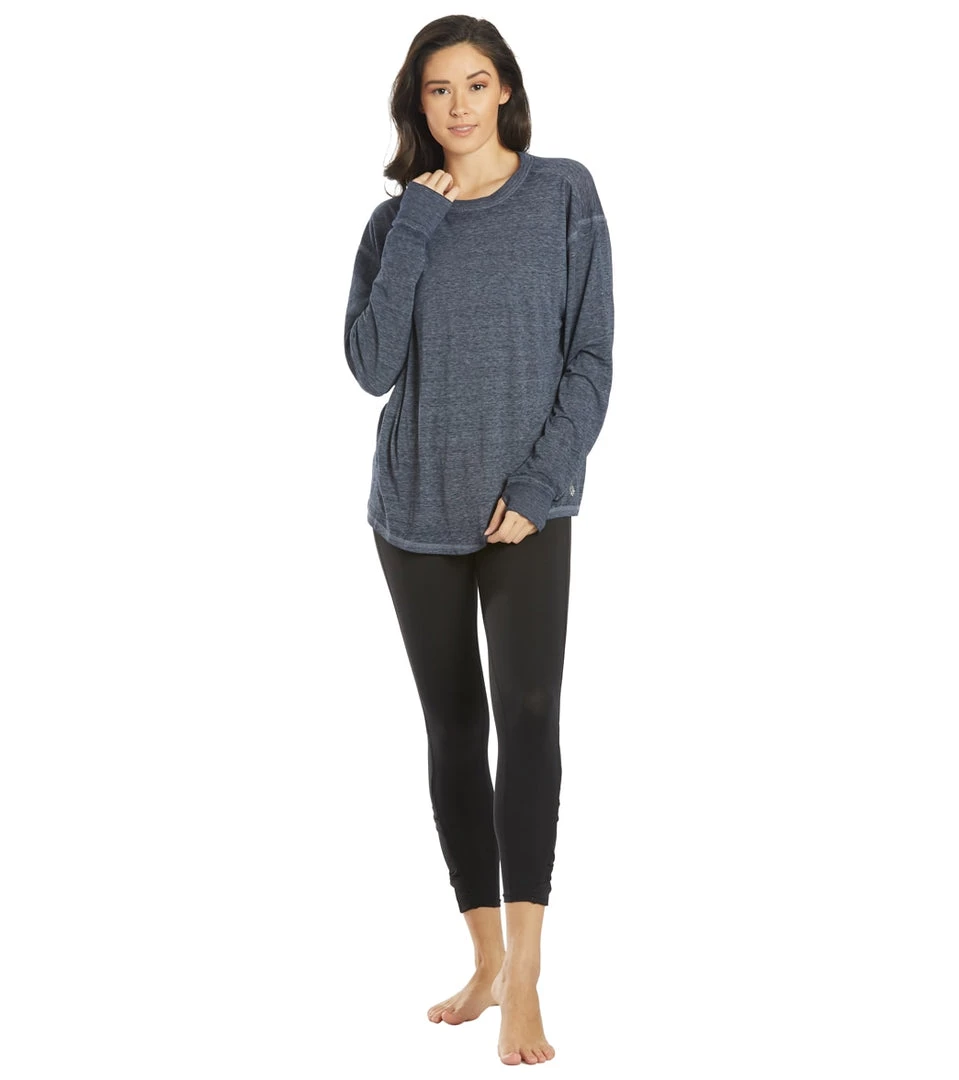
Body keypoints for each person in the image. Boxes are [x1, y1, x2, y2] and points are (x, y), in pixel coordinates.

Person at [343, 14, 613, 1067]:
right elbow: (370, 366)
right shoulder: (394, 222)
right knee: (454, 730)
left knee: (530, 718)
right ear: (417, 103)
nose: (456, 105)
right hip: (413, 509)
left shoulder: (563, 194)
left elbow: (589, 356)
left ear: (505, 89)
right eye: (436, 89)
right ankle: (486, 959)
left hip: (524, 509)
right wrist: (416, 222)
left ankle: (527, 980)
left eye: (473, 82)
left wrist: (539, 485)